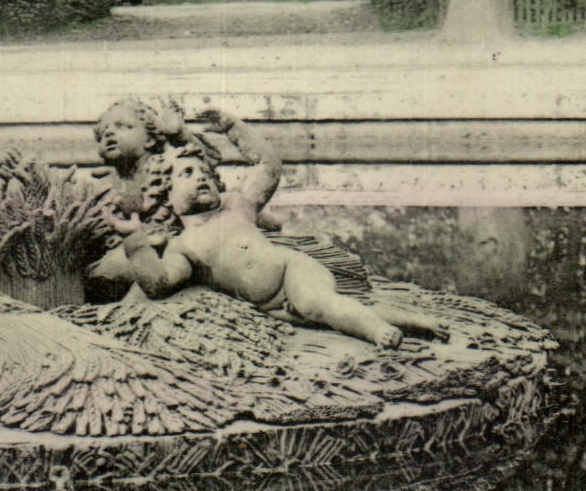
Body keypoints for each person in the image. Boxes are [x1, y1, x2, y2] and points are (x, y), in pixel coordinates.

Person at [122, 145, 444, 348]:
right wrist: (134, 241)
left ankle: (377, 332)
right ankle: (414, 322)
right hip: (271, 305)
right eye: (187, 174)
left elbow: (269, 167)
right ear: (166, 197)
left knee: (318, 304)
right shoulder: (183, 246)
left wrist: (232, 128)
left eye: (206, 172)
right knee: (331, 311)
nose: (202, 177)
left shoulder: (236, 206)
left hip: (292, 270)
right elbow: (159, 283)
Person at [87, 98, 280, 289]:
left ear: (151, 138)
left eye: (123, 126)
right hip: (150, 247)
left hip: (185, 241)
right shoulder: (106, 184)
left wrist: (179, 135)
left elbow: (202, 163)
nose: (110, 133)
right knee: (110, 268)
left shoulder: (169, 164)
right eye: (103, 133)